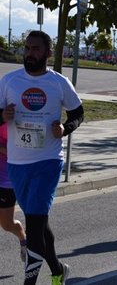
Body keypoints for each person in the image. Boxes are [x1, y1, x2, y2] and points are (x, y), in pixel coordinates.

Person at [0, 31, 83, 284]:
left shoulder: (59, 82)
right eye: (26, 48)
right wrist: (3, 116)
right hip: (17, 164)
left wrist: (65, 129)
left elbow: (78, 113)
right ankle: (58, 271)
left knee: (35, 225)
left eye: (35, 49)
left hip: (47, 161)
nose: (29, 53)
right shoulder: (9, 81)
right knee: (40, 224)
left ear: (48, 52)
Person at [0, 122, 28, 262]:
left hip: (4, 180)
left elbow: (20, 151)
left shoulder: (10, 121)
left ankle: (24, 239)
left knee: (7, 224)